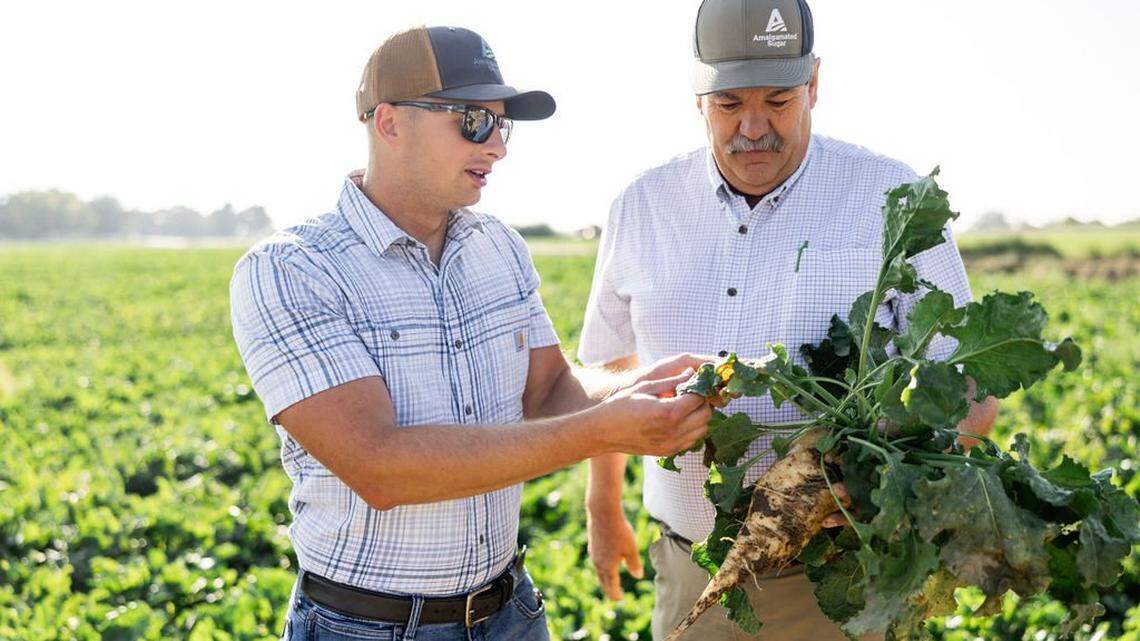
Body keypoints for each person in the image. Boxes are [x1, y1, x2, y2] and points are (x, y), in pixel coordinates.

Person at [229, 26, 712, 641]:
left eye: (500, 125)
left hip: (509, 611)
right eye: (472, 121)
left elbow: (547, 392)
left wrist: (645, 383)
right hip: (369, 626)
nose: (498, 147)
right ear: (389, 123)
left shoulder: (497, 246)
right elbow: (381, 468)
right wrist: (601, 431)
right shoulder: (292, 270)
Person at [578, 1, 1000, 639]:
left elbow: (967, 383)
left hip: (845, 575)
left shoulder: (890, 198)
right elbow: (612, 370)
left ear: (815, 85)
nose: (753, 128)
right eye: (728, 105)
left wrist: (898, 489)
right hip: (696, 567)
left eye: (777, 101)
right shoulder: (642, 207)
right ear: (698, 98)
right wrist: (602, 507)